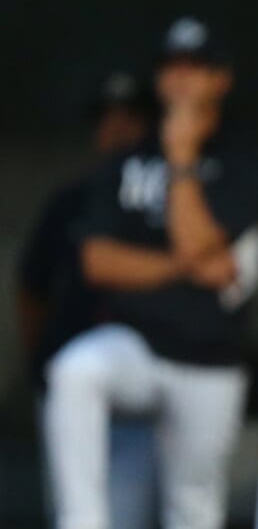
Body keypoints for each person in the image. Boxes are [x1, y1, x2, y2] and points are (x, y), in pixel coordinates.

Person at [43, 16, 258, 529]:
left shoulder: (241, 158)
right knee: (75, 371)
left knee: (193, 507)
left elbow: (200, 241)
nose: (183, 78)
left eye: (197, 66)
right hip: (137, 347)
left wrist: (181, 158)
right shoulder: (127, 159)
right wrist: (187, 267)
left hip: (210, 360)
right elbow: (97, 261)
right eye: (173, 67)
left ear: (221, 79)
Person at [16, 72, 155, 529]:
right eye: (106, 119)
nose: (116, 129)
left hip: (138, 384)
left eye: (128, 119)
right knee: (74, 515)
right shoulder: (71, 201)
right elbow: (31, 287)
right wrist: (38, 360)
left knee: (129, 514)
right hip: (70, 376)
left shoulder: (163, 200)